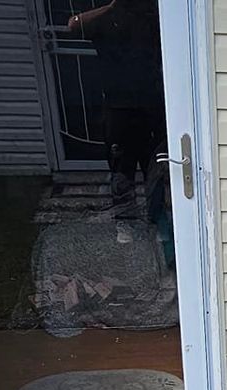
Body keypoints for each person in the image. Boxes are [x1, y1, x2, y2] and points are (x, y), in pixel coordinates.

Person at [68, 0, 165, 242]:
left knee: (154, 167)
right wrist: (112, 7)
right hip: (118, 108)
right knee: (122, 168)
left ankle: (157, 220)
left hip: (151, 105)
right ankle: (125, 223)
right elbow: (73, 26)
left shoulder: (153, 15)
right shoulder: (105, 18)